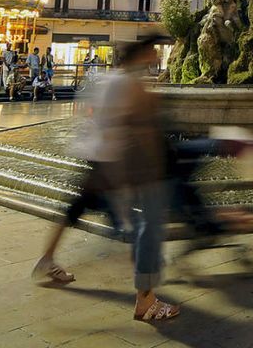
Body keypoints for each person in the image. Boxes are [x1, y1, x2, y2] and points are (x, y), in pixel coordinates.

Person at [32, 35, 178, 322]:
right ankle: (145, 297)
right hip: (112, 161)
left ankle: (47, 260)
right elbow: (130, 127)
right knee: (140, 222)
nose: (155, 58)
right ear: (142, 55)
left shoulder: (106, 79)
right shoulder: (129, 84)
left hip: (94, 154)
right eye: (151, 53)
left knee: (75, 209)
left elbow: (92, 114)